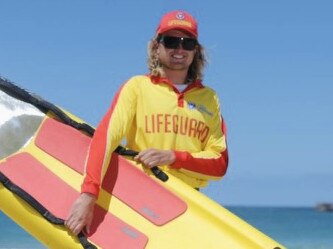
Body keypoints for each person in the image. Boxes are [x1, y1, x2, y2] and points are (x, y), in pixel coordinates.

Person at [65, 10, 229, 235]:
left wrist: (173, 157)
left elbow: (220, 163)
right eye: (171, 41)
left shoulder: (209, 98)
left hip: (189, 207)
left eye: (187, 43)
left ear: (195, 51)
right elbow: (105, 138)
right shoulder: (137, 87)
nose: (179, 49)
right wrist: (88, 194)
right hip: (142, 201)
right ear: (156, 46)